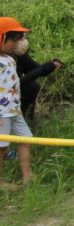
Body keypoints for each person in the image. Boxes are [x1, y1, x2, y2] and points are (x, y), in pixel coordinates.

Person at [0, 18, 35, 188]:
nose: (18, 44)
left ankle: (28, 176)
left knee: (26, 139)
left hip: (14, 110)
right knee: (1, 147)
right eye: (14, 40)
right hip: (1, 113)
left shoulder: (10, 59)